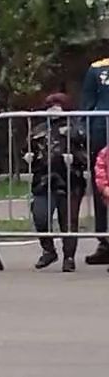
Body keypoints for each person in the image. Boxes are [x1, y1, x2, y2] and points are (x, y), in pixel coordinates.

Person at [28, 93, 84, 272]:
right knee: (40, 215)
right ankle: (48, 250)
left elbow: (88, 151)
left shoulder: (76, 127)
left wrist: (75, 158)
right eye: (50, 105)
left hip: (70, 180)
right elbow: (28, 149)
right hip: (43, 180)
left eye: (57, 105)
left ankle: (69, 257)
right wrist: (28, 157)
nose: (53, 109)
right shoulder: (39, 129)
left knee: (68, 220)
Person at [78, 54, 109, 264]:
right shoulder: (98, 68)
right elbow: (87, 105)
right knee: (102, 188)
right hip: (102, 133)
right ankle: (105, 241)